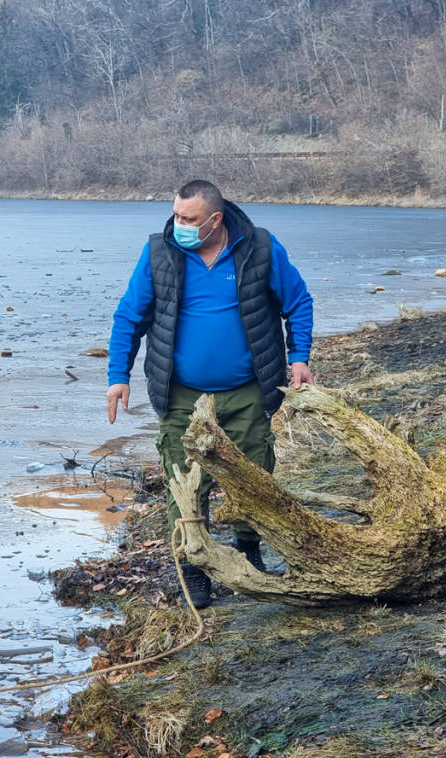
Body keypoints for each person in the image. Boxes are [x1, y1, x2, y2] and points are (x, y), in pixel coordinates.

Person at [106, 179, 314, 608]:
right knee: (185, 481)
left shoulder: (260, 248)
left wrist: (300, 357)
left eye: (189, 218)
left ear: (215, 219)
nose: (177, 224)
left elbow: (298, 302)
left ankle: (248, 549)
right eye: (176, 215)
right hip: (181, 393)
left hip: (247, 390)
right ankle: (193, 566)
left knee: (254, 475)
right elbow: (130, 316)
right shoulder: (159, 252)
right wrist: (118, 375)